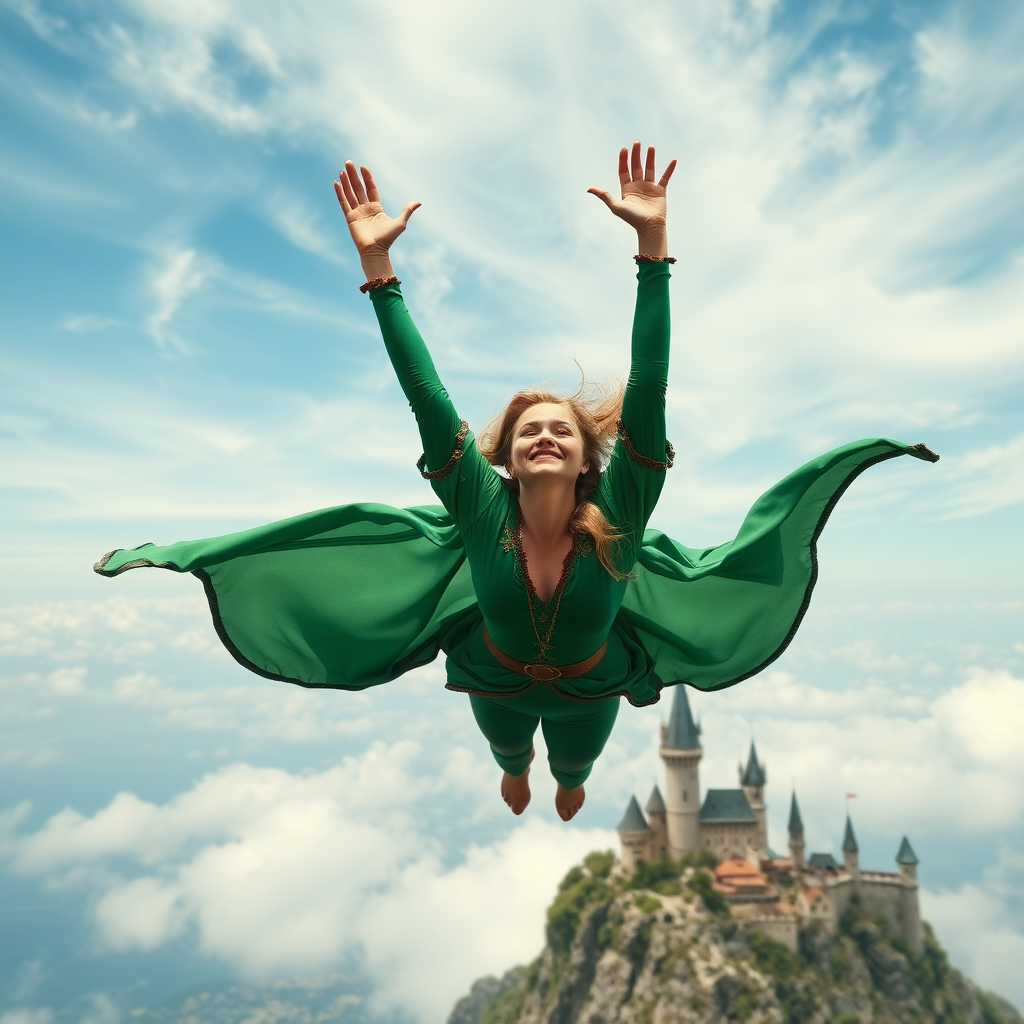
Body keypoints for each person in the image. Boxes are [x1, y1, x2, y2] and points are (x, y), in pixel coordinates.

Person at [95, 141, 938, 822]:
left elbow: (650, 381)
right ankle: (515, 771)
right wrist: (379, 272)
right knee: (509, 754)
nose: (543, 432)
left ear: (584, 457)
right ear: (506, 454)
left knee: (574, 767)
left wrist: (652, 248)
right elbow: (424, 393)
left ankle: (563, 781)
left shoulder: (625, 508)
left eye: (560, 428)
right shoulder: (476, 502)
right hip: (494, 676)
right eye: (528, 426)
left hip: (593, 684)